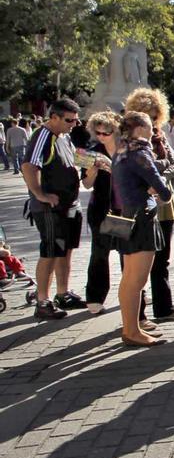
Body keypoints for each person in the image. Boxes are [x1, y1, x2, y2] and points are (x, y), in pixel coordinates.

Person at [124, 88, 174, 323]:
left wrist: (156, 171)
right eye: (145, 116)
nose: (150, 121)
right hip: (141, 207)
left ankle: (164, 308)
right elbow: (140, 169)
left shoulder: (160, 137)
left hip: (164, 205)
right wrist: (158, 171)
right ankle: (137, 317)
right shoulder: (128, 144)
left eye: (153, 116)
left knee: (162, 260)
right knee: (137, 266)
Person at [111, 111, 174, 347]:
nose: (153, 131)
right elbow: (163, 191)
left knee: (128, 278)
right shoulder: (140, 152)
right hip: (142, 218)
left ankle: (131, 327)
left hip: (125, 216)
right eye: (149, 126)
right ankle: (131, 330)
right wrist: (160, 185)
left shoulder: (122, 150)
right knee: (137, 280)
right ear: (140, 129)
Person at [21, 99, 86, 319]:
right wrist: (39, 194)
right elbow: (29, 165)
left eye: (76, 121)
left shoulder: (64, 137)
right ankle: (42, 301)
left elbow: (74, 159)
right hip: (50, 209)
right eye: (69, 120)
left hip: (69, 206)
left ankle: (62, 293)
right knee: (50, 252)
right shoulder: (42, 136)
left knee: (65, 250)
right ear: (54, 117)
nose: (73, 124)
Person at [81, 111, 120, 315]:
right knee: (99, 254)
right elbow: (86, 184)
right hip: (101, 209)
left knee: (128, 253)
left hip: (124, 208)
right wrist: (92, 173)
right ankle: (95, 298)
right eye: (99, 132)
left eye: (107, 132)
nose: (103, 136)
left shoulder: (126, 149)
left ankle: (135, 292)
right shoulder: (92, 152)